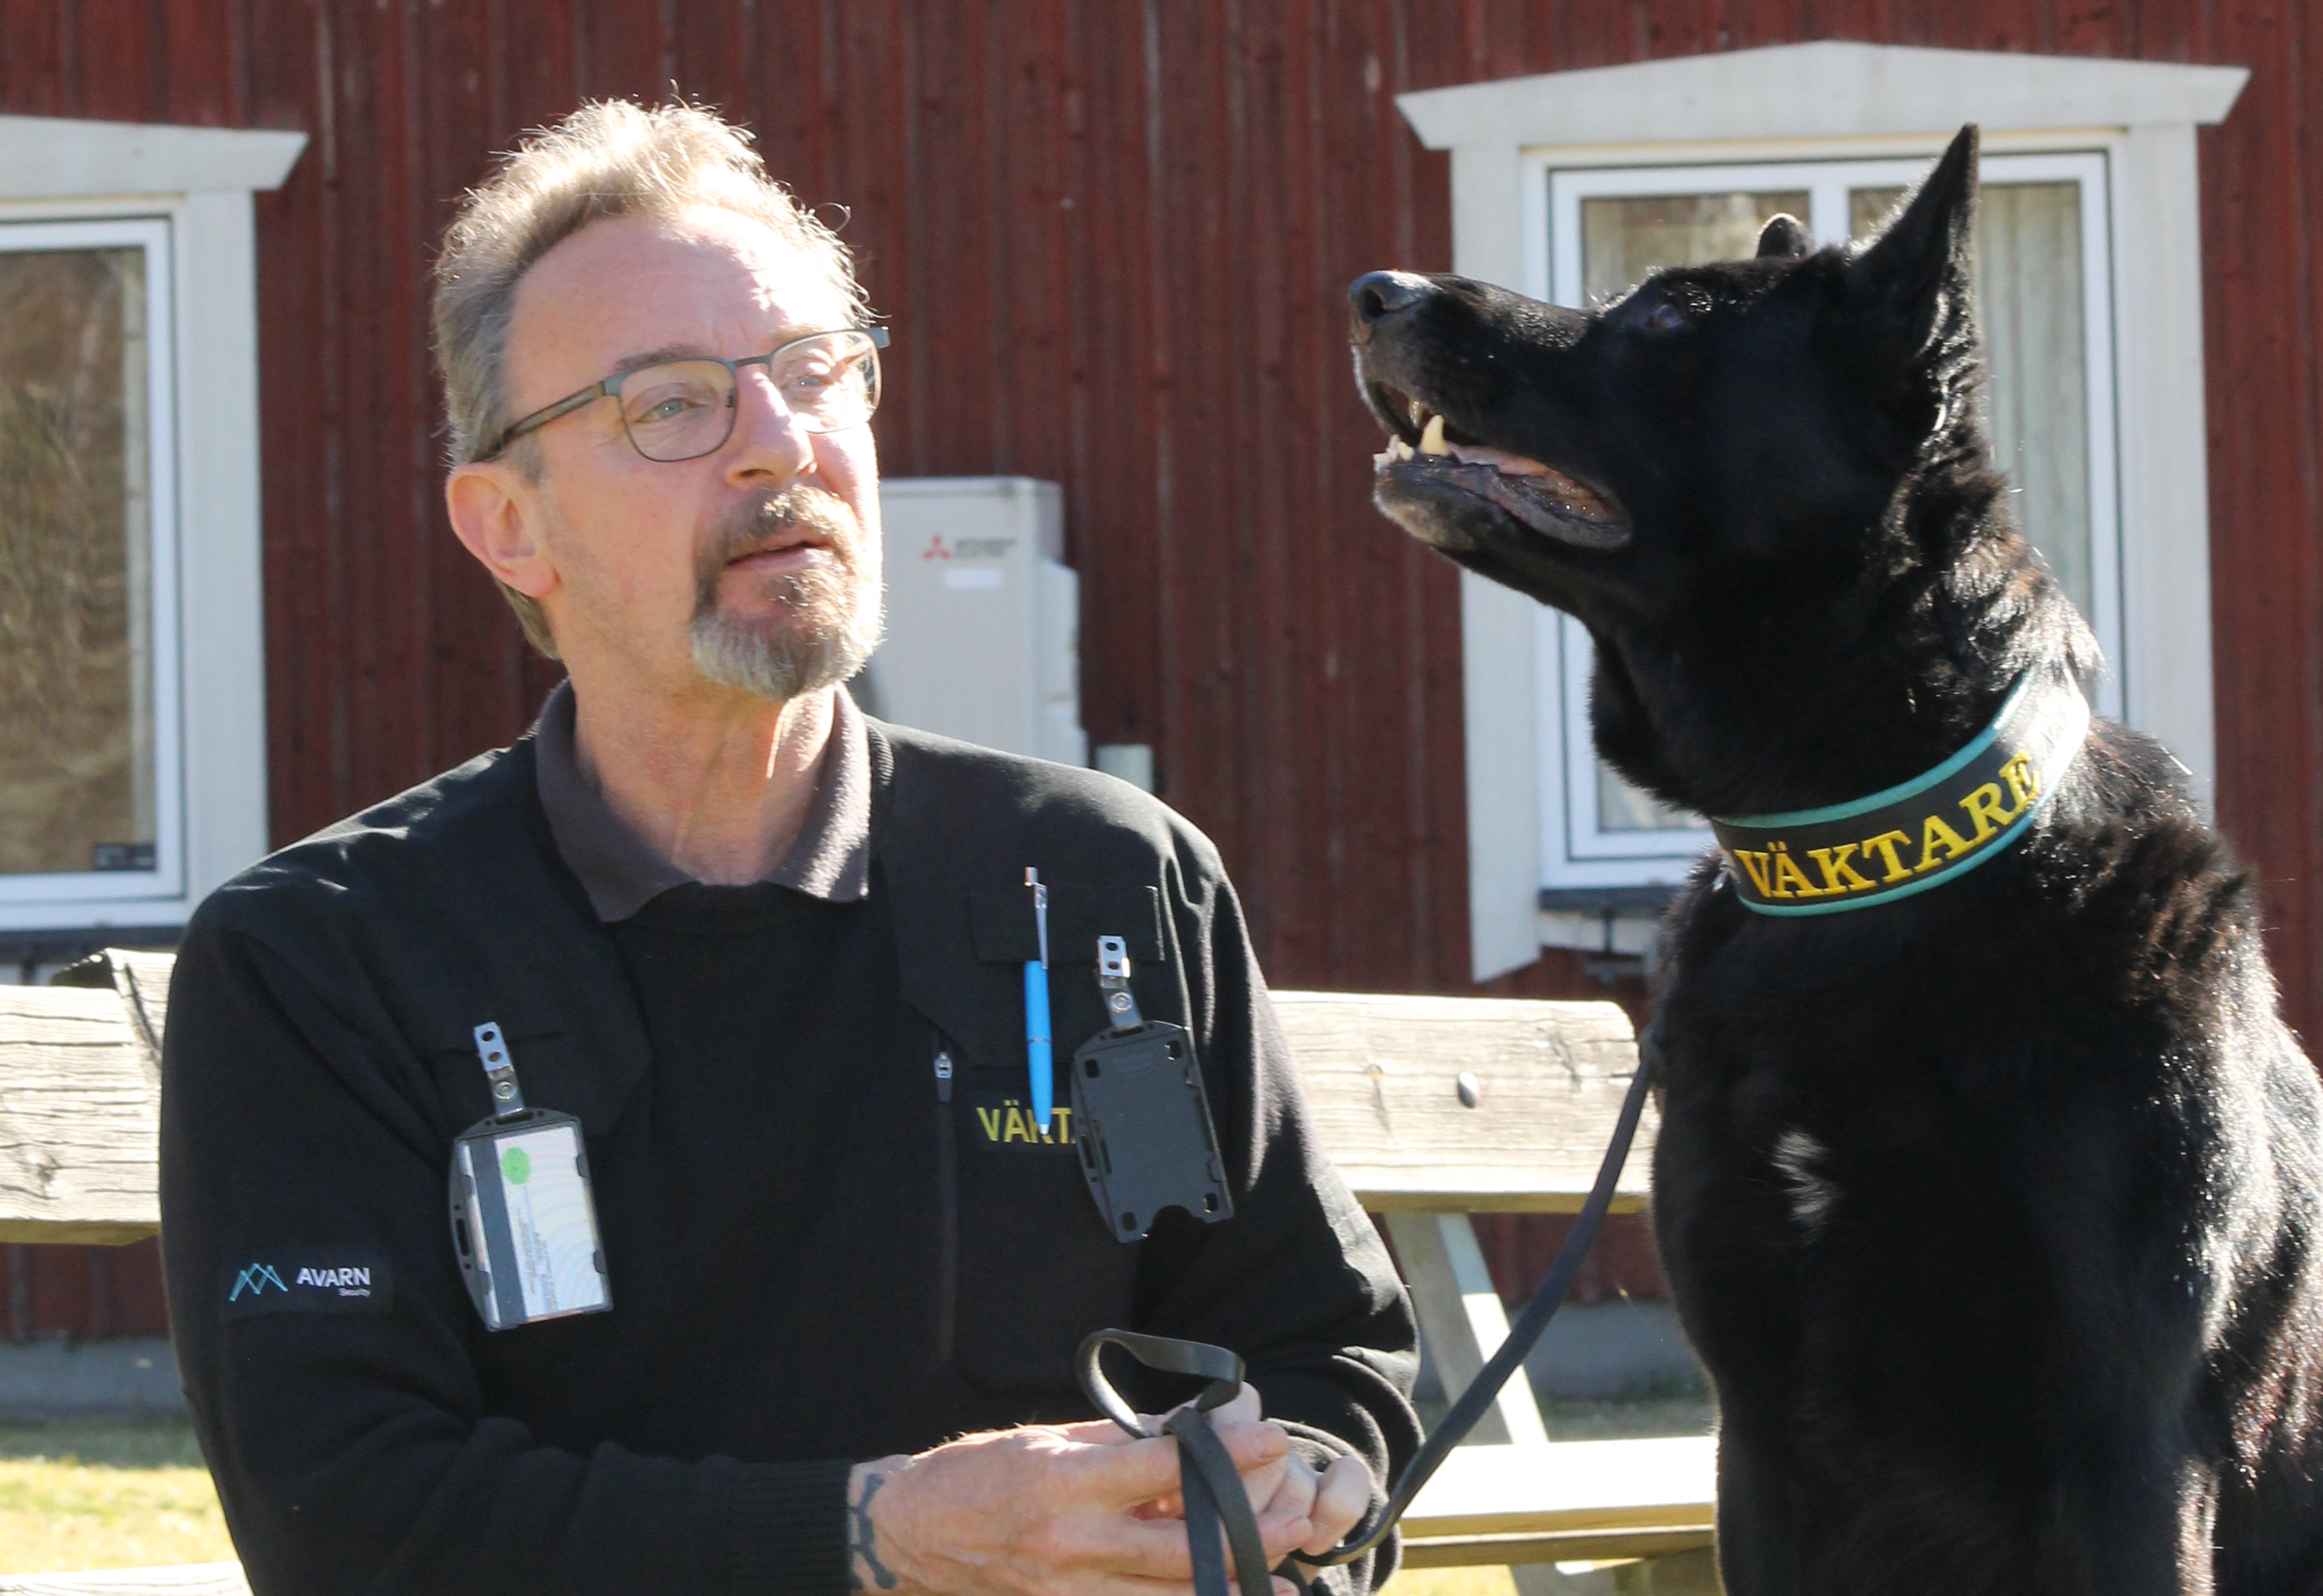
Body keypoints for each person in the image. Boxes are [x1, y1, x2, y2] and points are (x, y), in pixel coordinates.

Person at [158, 100, 1419, 1596]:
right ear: (508, 525)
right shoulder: (329, 959)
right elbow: (351, 1522)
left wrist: (1278, 1525)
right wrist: (875, 1539)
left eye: (817, 372)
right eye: (672, 404)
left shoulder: (1101, 882)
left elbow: (1327, 1359)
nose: (782, 444)